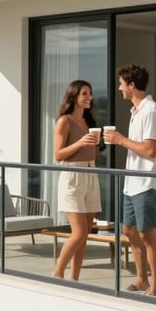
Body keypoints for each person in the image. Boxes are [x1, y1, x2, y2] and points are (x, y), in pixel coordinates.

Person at [103, 63, 156, 296]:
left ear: (132, 85)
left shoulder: (151, 111)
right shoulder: (136, 112)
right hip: (132, 183)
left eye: (122, 84)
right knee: (129, 230)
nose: (120, 89)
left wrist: (121, 140)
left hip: (147, 183)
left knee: (147, 234)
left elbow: (150, 150)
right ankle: (141, 280)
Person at [53, 80, 101, 280]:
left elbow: (92, 154)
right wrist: (81, 142)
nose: (89, 97)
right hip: (72, 177)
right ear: (74, 96)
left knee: (87, 231)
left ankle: (75, 279)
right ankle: (57, 274)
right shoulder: (65, 121)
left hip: (91, 173)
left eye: (90, 93)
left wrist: (95, 145)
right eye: (84, 93)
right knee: (79, 233)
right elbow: (58, 155)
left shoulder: (88, 122)